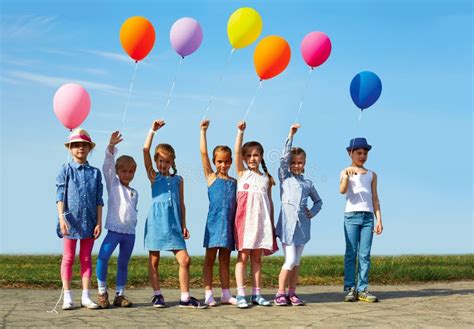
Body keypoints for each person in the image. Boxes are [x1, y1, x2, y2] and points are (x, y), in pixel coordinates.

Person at [143, 119, 207, 309]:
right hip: (156, 223)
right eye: (160, 160)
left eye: (167, 161)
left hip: (174, 225)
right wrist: (152, 131)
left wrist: (184, 225)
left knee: (185, 260)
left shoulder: (179, 180)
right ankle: (157, 295)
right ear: (156, 161)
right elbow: (145, 151)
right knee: (154, 260)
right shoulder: (153, 177)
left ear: (172, 162)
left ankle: (185, 297)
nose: (163, 164)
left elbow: (182, 204)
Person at [274, 124, 322, 306]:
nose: (296, 165)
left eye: (299, 162)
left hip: (302, 228)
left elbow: (319, 202)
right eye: (293, 162)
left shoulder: (308, 183)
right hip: (287, 227)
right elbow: (282, 159)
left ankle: (292, 293)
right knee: (290, 259)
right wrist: (290, 135)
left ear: (304, 164)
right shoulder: (285, 177)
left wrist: (312, 212)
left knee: (297, 262)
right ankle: (280, 293)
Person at [56, 128, 103, 310]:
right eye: (76, 145)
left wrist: (99, 222)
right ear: (70, 149)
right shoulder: (66, 170)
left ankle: (85, 296)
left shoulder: (95, 173)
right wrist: (61, 218)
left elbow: (99, 199)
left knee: (86, 258)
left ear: (89, 148)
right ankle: (67, 296)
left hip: (89, 221)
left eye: (84, 145)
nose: (80, 148)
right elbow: (60, 195)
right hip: (70, 221)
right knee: (68, 257)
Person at [233, 121, 277, 308]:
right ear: (244, 158)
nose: (252, 158)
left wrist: (272, 225)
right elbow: (235, 152)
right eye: (249, 155)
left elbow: (270, 203)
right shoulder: (242, 173)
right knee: (243, 258)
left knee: (257, 259)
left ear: (261, 157)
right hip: (245, 223)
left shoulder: (266, 178)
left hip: (262, 223)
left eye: (256, 155)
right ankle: (241, 293)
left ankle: (256, 294)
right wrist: (240, 133)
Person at [96, 131, 138, 308]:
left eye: (130, 171)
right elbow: (107, 165)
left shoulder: (135, 192)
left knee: (123, 263)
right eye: (123, 171)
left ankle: (119, 295)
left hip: (130, 233)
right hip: (114, 230)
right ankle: (102, 291)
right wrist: (111, 147)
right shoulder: (113, 184)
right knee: (103, 257)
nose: (127, 174)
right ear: (117, 172)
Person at [339, 137, 383, 303]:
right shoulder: (345, 172)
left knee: (365, 254)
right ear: (350, 153)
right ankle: (350, 288)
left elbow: (375, 198)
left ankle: (363, 288)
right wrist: (346, 177)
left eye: (365, 153)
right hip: (351, 216)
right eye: (358, 153)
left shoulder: (372, 174)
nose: (362, 156)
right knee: (351, 253)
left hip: (368, 217)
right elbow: (342, 191)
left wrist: (379, 220)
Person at [199, 120, 238, 306]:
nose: (223, 164)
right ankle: (208, 293)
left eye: (226, 161)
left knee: (225, 259)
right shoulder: (211, 177)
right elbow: (203, 153)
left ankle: (225, 293)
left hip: (228, 225)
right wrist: (203, 131)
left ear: (231, 161)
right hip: (213, 224)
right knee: (209, 259)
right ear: (215, 162)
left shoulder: (234, 182)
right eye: (219, 161)